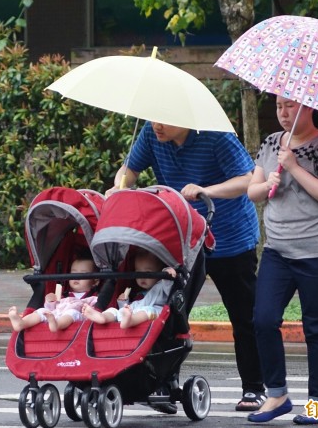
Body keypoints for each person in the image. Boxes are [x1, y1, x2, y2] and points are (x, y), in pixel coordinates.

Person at [107, 121, 265, 411]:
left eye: (162, 120)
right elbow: (129, 170)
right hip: (181, 239)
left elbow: (247, 179)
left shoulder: (216, 136)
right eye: (153, 118)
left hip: (230, 237)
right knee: (167, 313)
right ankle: (161, 384)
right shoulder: (151, 134)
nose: (156, 125)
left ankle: (254, 388)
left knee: (243, 315)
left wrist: (206, 190)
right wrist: (120, 186)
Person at [246, 96, 318, 425]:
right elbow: (252, 191)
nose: (283, 112)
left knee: (316, 327)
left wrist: (293, 168)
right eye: (279, 106)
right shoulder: (272, 143)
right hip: (278, 250)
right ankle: (277, 394)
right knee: (263, 320)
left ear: (309, 108)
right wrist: (266, 185)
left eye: (291, 105)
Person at [82, 248, 176, 329]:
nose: (142, 277)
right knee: (114, 310)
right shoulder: (139, 293)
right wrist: (123, 302)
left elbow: (170, 289)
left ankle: (130, 320)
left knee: (148, 310)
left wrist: (167, 275)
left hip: (156, 312)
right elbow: (129, 307)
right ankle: (103, 317)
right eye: (138, 273)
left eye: (148, 272)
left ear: (159, 272)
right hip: (134, 311)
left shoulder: (161, 285)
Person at [8, 256, 99, 332]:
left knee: (72, 312)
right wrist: (50, 302)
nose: (76, 278)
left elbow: (95, 312)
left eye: (82, 275)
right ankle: (21, 323)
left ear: (95, 281)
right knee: (42, 311)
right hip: (56, 314)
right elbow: (52, 309)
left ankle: (57, 325)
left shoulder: (94, 298)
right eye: (73, 273)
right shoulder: (64, 294)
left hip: (78, 317)